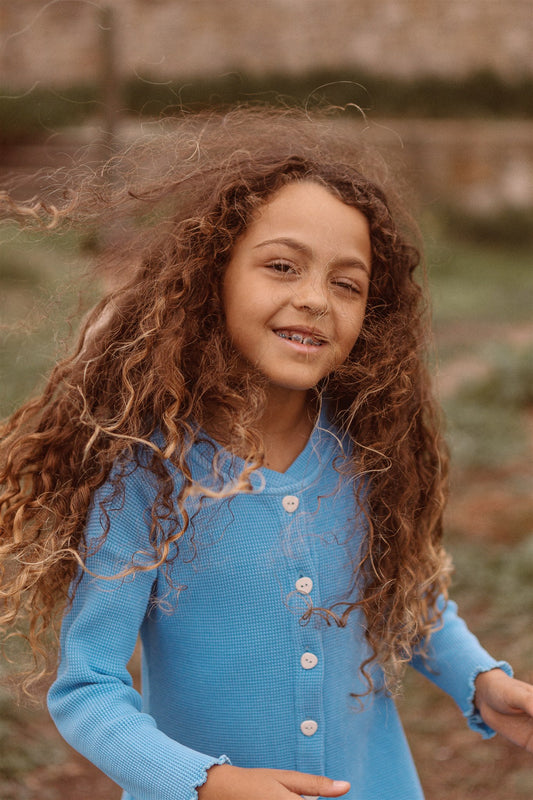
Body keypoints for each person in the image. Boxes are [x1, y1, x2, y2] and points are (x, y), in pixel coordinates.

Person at [0, 107, 532, 800]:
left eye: (346, 283)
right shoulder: (147, 475)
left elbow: (409, 600)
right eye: (281, 267)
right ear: (211, 276)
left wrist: (479, 680)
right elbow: (87, 690)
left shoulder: (364, 454)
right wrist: (205, 782)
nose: (313, 299)